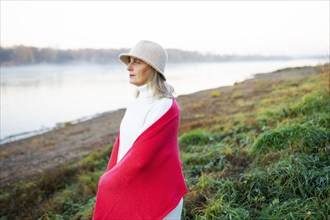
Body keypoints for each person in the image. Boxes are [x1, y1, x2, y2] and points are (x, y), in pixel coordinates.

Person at [93, 40, 188, 220]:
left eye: (136, 62)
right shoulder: (136, 101)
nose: (129, 67)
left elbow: (141, 157)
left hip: (157, 194)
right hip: (134, 185)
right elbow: (121, 148)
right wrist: (110, 173)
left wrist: (107, 181)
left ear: (152, 68)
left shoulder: (165, 106)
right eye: (129, 61)